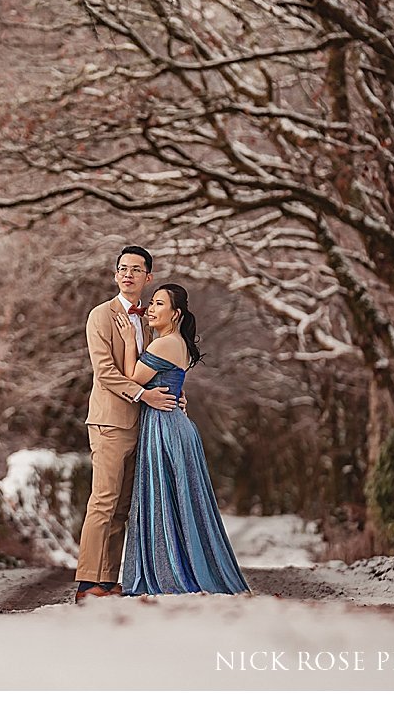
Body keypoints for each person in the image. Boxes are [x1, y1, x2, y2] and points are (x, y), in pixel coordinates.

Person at [113, 282, 251, 596]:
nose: (150, 308)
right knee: (176, 501)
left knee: (166, 499)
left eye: (159, 304)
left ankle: (170, 572)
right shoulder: (174, 342)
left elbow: (131, 377)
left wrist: (127, 340)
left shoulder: (165, 344)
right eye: (151, 303)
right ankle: (180, 565)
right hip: (174, 424)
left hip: (164, 427)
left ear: (176, 314)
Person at [74, 245, 178, 602]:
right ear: (115, 274)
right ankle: (87, 583)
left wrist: (172, 394)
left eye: (136, 269)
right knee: (102, 501)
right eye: (122, 269)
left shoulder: (150, 320)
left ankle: (107, 578)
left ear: (148, 277)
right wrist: (143, 395)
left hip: (144, 424)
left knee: (122, 506)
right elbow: (104, 372)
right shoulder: (101, 316)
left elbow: (156, 368)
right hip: (109, 421)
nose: (128, 274)